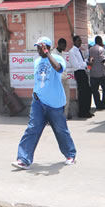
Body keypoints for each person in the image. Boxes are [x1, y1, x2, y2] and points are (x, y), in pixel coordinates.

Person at [12, 37, 77, 169]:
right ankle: (23, 159)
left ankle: (70, 155)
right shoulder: (36, 62)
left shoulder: (57, 59)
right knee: (32, 129)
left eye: (41, 47)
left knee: (61, 130)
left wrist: (47, 54)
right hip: (38, 102)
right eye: (38, 47)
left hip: (55, 104)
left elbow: (58, 69)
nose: (39, 50)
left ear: (48, 48)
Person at [68, 36, 93, 118]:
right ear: (74, 41)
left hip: (83, 71)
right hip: (79, 72)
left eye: (80, 41)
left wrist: (87, 62)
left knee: (87, 91)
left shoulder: (78, 51)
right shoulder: (72, 51)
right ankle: (82, 112)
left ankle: (87, 110)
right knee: (82, 92)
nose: (80, 43)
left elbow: (81, 62)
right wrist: (86, 64)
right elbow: (76, 65)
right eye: (78, 41)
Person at [88, 36, 105, 110]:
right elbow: (103, 60)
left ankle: (98, 104)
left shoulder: (90, 49)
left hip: (93, 73)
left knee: (95, 90)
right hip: (101, 72)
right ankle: (104, 104)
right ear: (100, 41)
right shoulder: (100, 49)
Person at [55, 38, 73, 120]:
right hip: (58, 79)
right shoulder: (53, 54)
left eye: (65, 46)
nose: (64, 47)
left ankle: (64, 116)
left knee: (66, 98)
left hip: (65, 78)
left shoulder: (62, 53)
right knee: (58, 99)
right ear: (59, 44)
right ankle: (56, 117)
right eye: (63, 45)